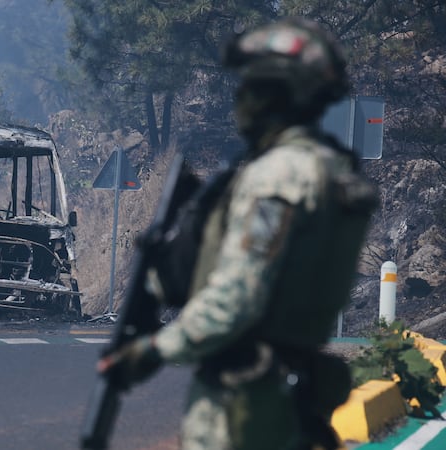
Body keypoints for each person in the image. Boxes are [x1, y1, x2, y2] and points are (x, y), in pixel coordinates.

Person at [99, 17, 378, 450]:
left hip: (244, 406)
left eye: (249, 89)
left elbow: (238, 297)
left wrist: (154, 350)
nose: (240, 103)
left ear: (274, 95)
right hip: (295, 393)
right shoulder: (334, 171)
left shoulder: (277, 178)